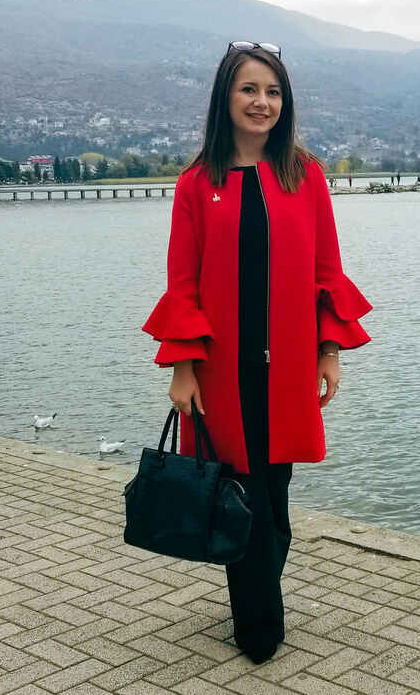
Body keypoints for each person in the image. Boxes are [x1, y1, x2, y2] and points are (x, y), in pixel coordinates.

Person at [143, 41, 372, 664]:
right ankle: (258, 622)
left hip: (289, 363)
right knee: (237, 489)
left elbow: (327, 269)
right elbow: (182, 282)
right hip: (222, 369)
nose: (261, 102)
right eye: (249, 89)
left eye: (272, 92)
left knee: (275, 494)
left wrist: (330, 350)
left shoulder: (305, 175)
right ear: (226, 97)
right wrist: (183, 368)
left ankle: (257, 598)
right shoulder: (198, 183)